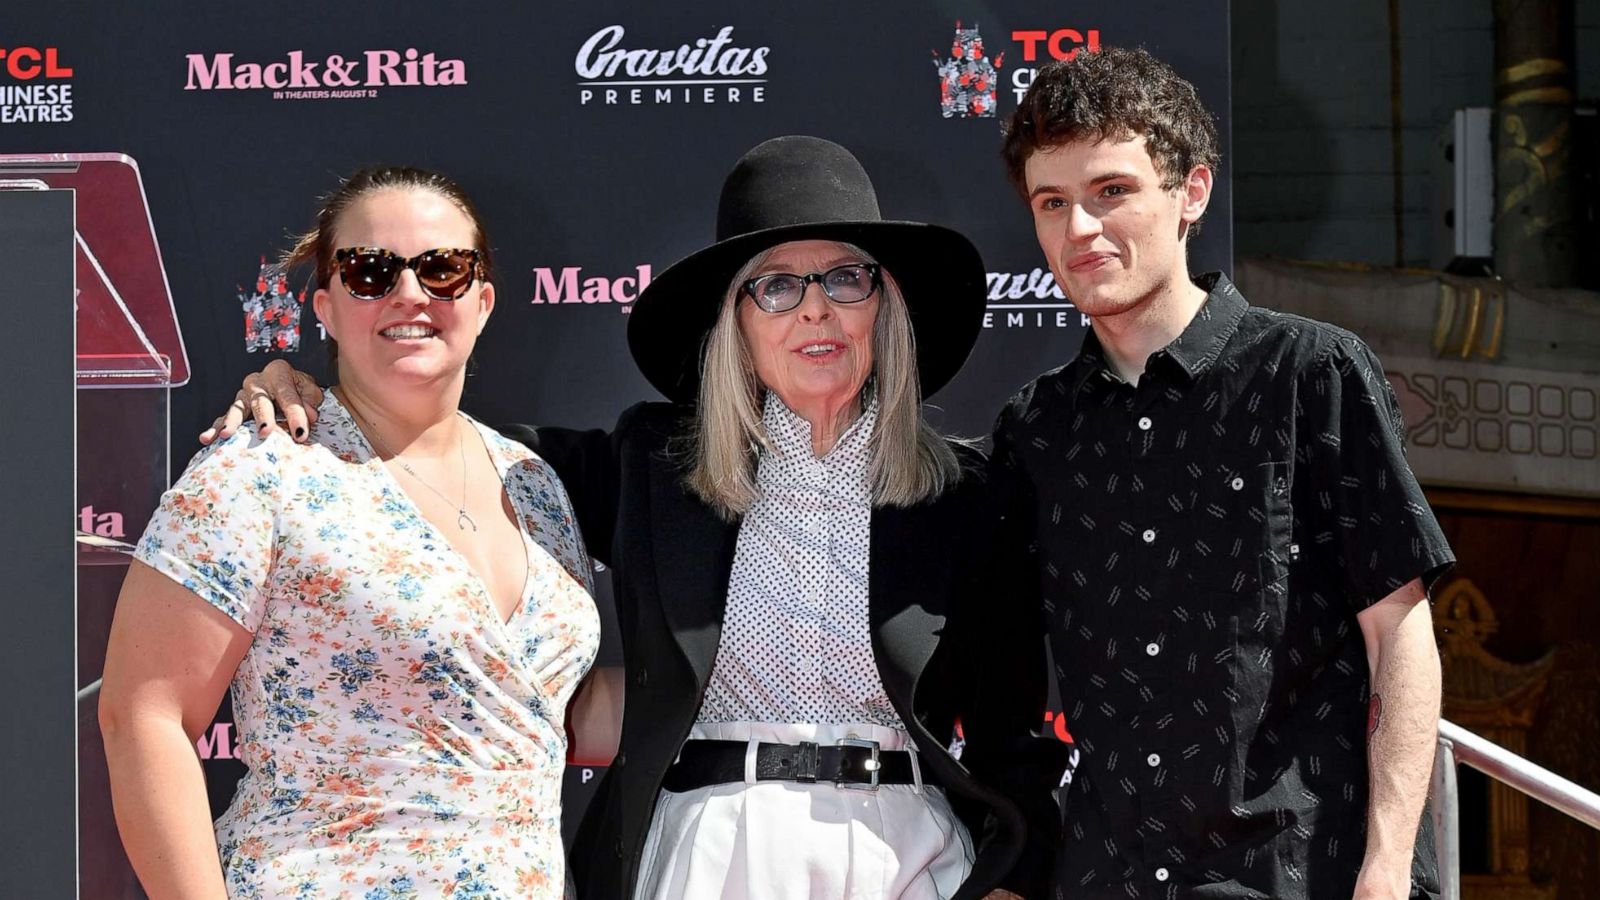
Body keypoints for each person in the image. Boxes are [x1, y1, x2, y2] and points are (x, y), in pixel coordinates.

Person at [202, 136, 1066, 900]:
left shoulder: (970, 498)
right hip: (706, 853)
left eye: (846, 278)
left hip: (909, 857)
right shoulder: (653, 467)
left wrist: (1009, 887)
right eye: (775, 286)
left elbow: (1016, 741)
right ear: (733, 320)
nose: (815, 309)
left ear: (886, 307)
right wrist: (308, 390)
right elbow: (434, 440)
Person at [991, 48, 1456, 898]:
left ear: (1191, 194)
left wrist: (1388, 865)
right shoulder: (1035, 430)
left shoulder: (1310, 372)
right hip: (1111, 878)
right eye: (1052, 203)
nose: (1081, 230)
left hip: (1300, 873)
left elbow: (1401, 633)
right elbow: (1005, 687)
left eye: (1112, 191)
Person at [100, 166, 599, 898]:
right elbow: (144, 717)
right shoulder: (261, 471)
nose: (409, 294)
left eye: (443, 268)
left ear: (483, 301)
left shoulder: (534, 484)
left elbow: (529, 711)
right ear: (326, 307)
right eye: (370, 271)